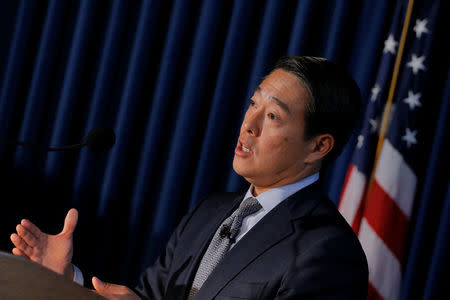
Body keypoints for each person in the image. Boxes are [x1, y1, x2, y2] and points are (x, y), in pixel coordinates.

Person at [10, 56, 368, 299]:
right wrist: (66, 281)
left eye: (273, 116)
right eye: (254, 103)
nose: (249, 124)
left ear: (318, 146)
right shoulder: (209, 212)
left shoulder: (329, 253)